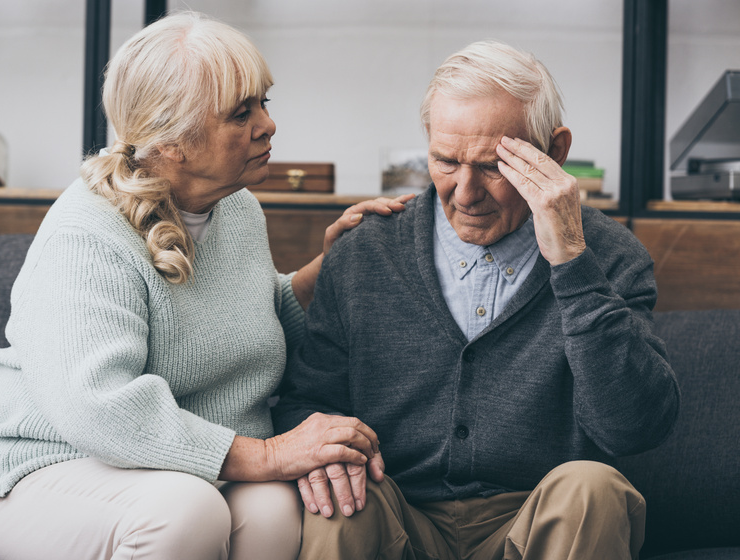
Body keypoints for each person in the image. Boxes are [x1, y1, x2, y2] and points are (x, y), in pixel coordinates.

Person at [0, 11, 410, 560]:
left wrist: (328, 270)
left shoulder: (237, 208)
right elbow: (101, 409)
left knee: (273, 510)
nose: (267, 125)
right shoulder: (86, 233)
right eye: (241, 113)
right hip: (43, 475)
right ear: (172, 141)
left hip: (173, 471)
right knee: (185, 512)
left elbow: (253, 316)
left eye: (265, 103)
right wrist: (268, 454)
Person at [273, 40, 680, 560]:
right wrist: (323, 450)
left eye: (492, 166)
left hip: (538, 522)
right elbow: (304, 402)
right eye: (445, 161)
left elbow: (636, 428)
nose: (465, 192)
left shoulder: (610, 255)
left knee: (592, 487)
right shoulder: (366, 251)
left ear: (554, 153)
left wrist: (573, 265)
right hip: (396, 512)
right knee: (335, 501)